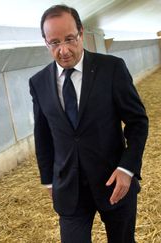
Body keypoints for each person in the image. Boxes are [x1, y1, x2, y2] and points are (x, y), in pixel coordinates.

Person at [29, 4, 148, 243]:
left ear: (81, 33)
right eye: (54, 42)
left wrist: (127, 169)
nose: (63, 50)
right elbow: (43, 135)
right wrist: (49, 181)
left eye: (70, 39)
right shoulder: (39, 82)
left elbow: (137, 122)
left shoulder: (112, 69)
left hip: (115, 183)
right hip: (70, 190)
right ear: (45, 42)